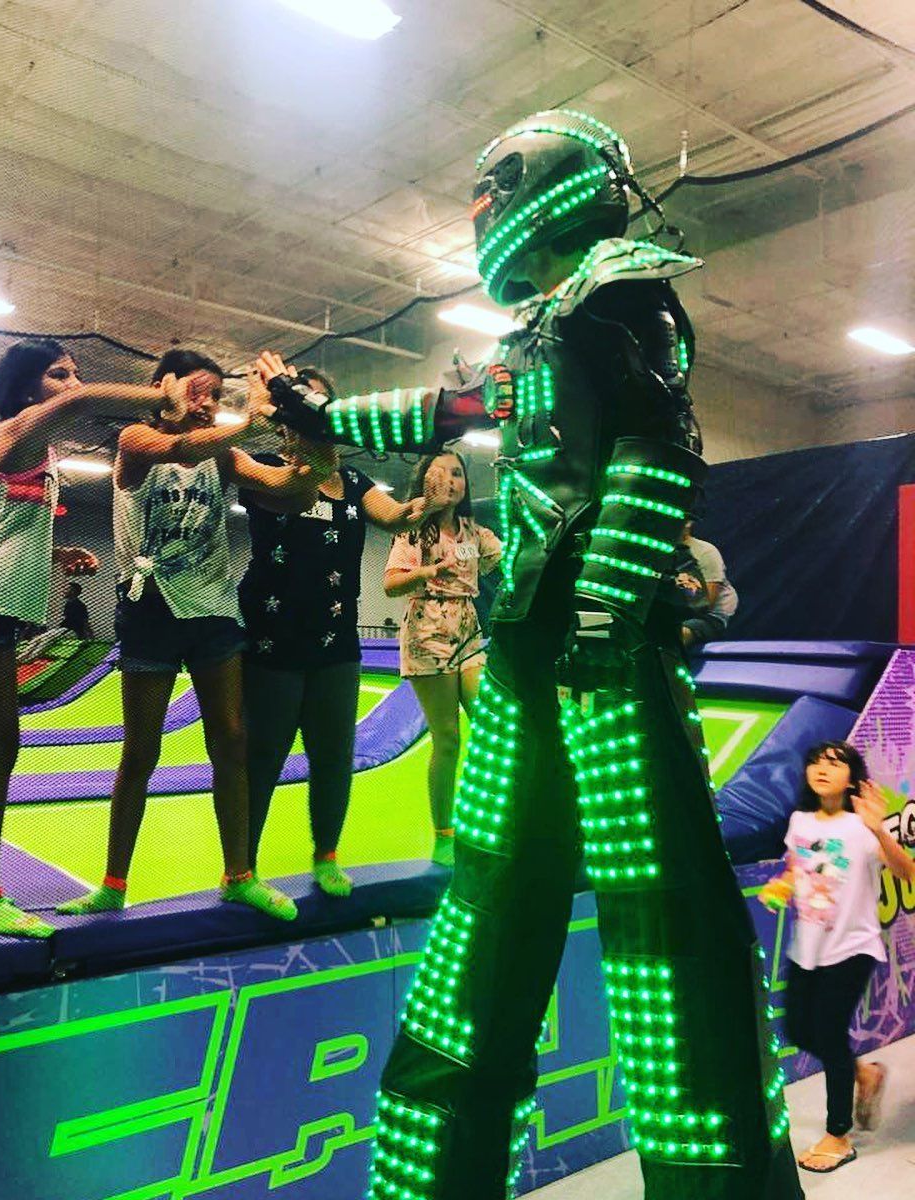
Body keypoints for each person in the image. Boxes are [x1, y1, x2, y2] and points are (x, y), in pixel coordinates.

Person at [260, 108, 805, 1200]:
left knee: (657, 941)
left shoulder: (621, 291)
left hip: (597, 665)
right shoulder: (551, 323)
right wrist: (328, 417)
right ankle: (441, 1169)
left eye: (492, 197)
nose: (482, 219)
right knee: (486, 921)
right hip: (529, 654)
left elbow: (662, 451)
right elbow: (448, 409)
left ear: (536, 193)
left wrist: (605, 611)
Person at [57, 349, 329, 922]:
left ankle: (239, 874)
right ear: (164, 388)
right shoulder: (135, 439)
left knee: (230, 739)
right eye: (196, 391)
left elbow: (291, 489)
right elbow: (175, 447)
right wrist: (248, 421)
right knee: (142, 751)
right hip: (150, 613)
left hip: (211, 610)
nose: (206, 404)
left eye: (215, 394)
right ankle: (112, 883)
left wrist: (310, 436)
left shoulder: (223, 456)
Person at [0, 338, 181, 937]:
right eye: (59, 375)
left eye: (74, 373)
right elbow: (86, 404)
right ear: (28, 391)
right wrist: (164, 394)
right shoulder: (12, 433)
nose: (72, 383)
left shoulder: (37, 456)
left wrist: (57, 555)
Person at [239, 364, 447, 897]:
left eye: (326, 410)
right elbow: (289, 487)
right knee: (263, 756)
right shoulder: (265, 469)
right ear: (287, 421)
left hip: (337, 642)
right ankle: (242, 868)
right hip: (273, 640)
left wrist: (427, 503)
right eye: (308, 410)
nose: (319, 421)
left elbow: (396, 516)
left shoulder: (353, 483)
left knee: (333, 755)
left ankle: (326, 854)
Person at [759, 742, 914, 1173]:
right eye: (815, 761)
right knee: (796, 1030)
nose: (822, 768)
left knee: (828, 1036)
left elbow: (907, 873)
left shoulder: (862, 827)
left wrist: (880, 829)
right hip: (807, 949)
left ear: (851, 776)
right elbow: (798, 866)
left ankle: (838, 1134)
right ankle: (866, 1075)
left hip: (853, 947)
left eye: (835, 762)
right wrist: (781, 885)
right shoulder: (799, 821)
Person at [383, 452, 501, 867]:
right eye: (442, 473)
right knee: (448, 737)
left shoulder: (473, 531)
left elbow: (501, 559)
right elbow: (391, 584)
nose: (451, 480)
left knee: (491, 723)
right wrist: (429, 573)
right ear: (426, 480)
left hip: (467, 629)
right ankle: (444, 833)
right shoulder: (413, 530)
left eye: (458, 473)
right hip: (428, 628)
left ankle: (492, 816)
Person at [679, 519, 738, 648]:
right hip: (671, 614)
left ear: (688, 523)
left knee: (677, 634)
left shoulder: (706, 552)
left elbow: (706, 603)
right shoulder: (657, 552)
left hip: (707, 618)